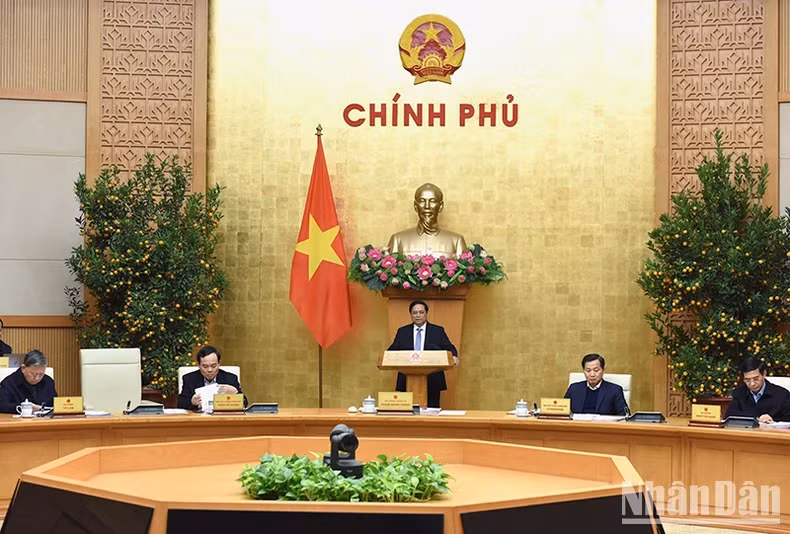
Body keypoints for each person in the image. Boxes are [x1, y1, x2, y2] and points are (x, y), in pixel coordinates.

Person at [389, 300, 458, 408]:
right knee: (407, 414)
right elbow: (392, 351)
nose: (418, 315)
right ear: (411, 314)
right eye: (415, 313)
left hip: (432, 379)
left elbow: (449, 347)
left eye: (421, 312)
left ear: (426, 313)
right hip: (407, 379)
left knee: (432, 414)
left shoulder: (437, 331)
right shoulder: (402, 331)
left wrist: (454, 356)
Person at [387, 183, 467, 258]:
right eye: (422, 201)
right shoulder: (398, 240)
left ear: (440, 206)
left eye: (432, 201)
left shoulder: (456, 241)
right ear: (415, 206)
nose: (427, 206)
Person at [177, 345, 247, 411]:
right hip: (199, 420)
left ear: (219, 363)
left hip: (222, 418)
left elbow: (245, 404)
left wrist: (235, 393)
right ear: (198, 365)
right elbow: (180, 404)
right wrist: (192, 401)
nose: (210, 370)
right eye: (205, 366)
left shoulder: (230, 378)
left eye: (213, 366)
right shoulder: (189, 379)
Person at [725, 357, 790, 423]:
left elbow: (788, 421)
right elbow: (730, 417)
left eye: (756, 379)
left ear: (764, 374)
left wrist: (773, 422)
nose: (752, 384)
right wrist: (757, 419)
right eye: (747, 380)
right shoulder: (739, 393)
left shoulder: (782, 395)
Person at [564, 353, 628, 416]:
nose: (592, 374)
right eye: (588, 370)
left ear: (603, 370)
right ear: (584, 371)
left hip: (602, 425)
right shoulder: (574, 388)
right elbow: (562, 411)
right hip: (577, 425)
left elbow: (625, 416)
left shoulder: (614, 390)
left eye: (596, 370)